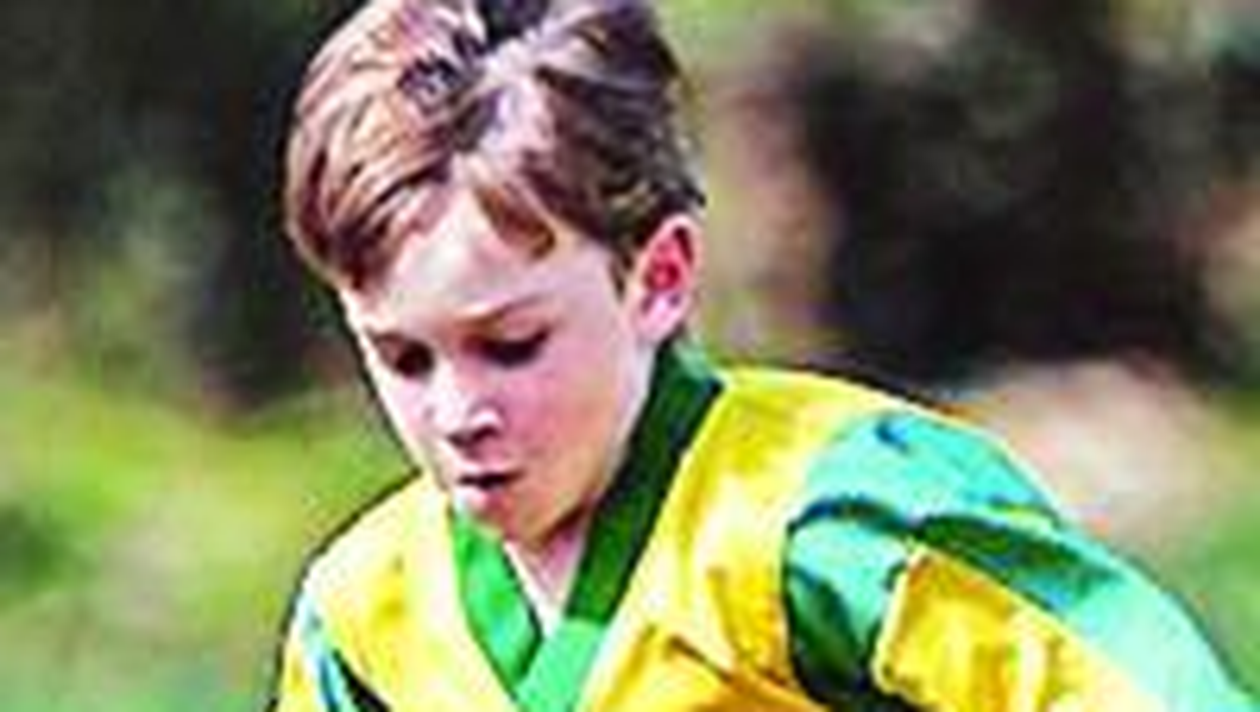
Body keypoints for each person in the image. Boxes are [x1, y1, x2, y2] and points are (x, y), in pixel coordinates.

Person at [269, 0, 1257, 709]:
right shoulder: (363, 617)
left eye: (512, 345)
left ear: (658, 279)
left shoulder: (820, 513)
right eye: (403, 359)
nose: (458, 414)